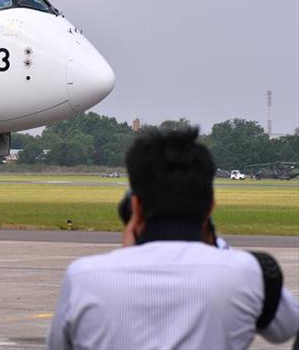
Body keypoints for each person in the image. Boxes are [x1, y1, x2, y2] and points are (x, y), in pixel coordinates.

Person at [47, 128, 299, 350]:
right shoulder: (247, 273)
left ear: (135, 207)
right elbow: (285, 329)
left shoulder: (84, 277)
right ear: (210, 206)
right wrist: (217, 245)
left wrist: (128, 254)